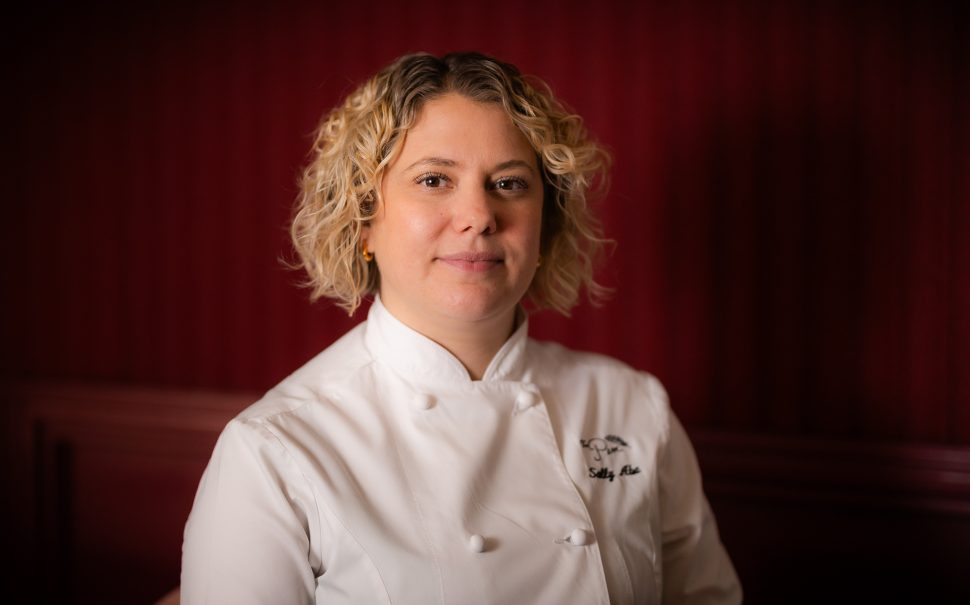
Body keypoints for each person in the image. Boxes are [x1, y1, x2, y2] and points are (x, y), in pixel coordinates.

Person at [180, 51, 742, 604]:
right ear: (363, 222)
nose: (479, 214)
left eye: (509, 183)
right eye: (433, 180)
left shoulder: (631, 405)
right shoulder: (277, 449)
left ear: (545, 227)